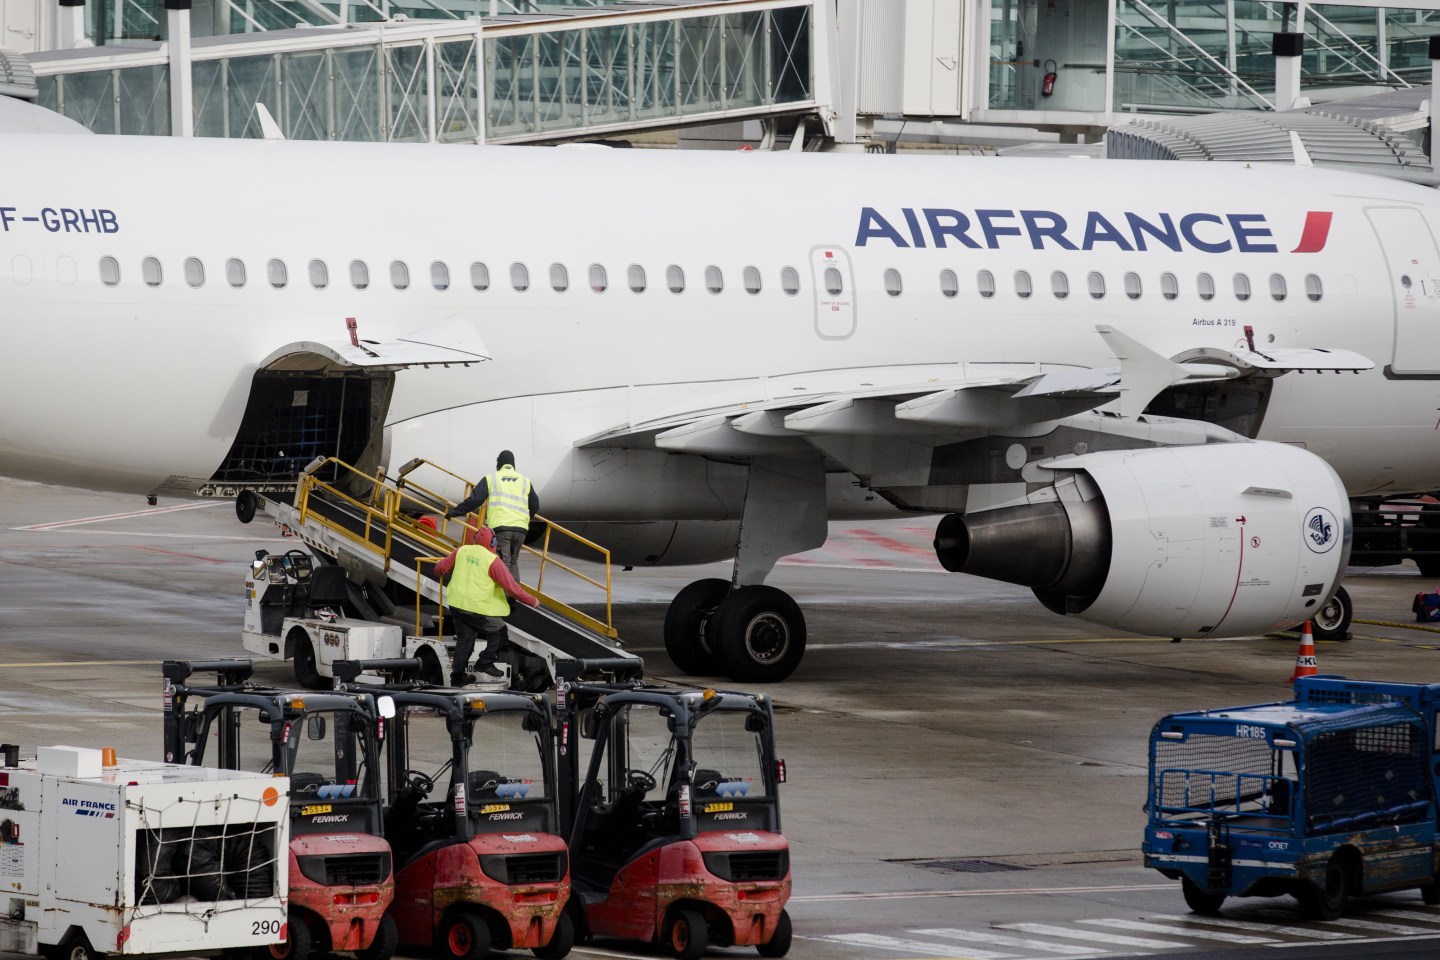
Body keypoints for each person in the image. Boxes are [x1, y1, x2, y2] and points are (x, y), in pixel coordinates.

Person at [433, 525, 538, 685]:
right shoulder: (493, 561)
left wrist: (440, 572)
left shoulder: (462, 551)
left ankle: (458, 679)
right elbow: (511, 587)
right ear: (493, 542)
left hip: (456, 604)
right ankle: (485, 661)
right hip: (477, 608)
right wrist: (532, 600)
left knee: (465, 641)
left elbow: (440, 568)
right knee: (500, 632)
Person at [443, 450, 539, 582]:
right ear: (513, 465)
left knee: (503, 562)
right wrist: (524, 519)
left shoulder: (491, 478)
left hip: (502, 528)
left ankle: (506, 599)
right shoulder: (525, 481)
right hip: (521, 530)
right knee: (513, 562)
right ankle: (513, 598)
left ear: (498, 464)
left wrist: (454, 512)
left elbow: (474, 500)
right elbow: (535, 505)